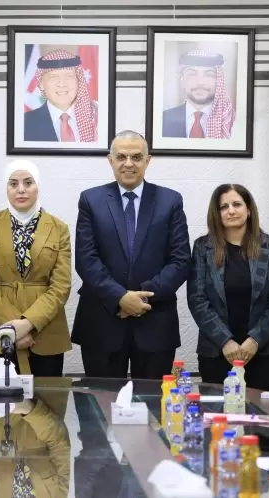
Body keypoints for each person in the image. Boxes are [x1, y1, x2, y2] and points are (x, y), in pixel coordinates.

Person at [72, 130, 191, 380]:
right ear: (110, 160)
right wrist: (120, 298)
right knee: (101, 401)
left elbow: (180, 261)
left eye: (136, 157)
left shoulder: (170, 201)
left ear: (148, 160)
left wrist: (140, 299)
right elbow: (86, 260)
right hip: (102, 322)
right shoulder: (90, 200)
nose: (129, 163)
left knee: (152, 402)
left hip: (154, 322)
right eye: (121, 157)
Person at [0, 160, 72, 376]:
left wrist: (28, 323)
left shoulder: (59, 228)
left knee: (47, 396)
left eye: (28, 183)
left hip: (45, 332)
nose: (21, 189)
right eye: (13, 184)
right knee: (0, 397)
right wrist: (13, 328)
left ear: (38, 186)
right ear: (6, 188)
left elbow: (61, 286)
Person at [187, 184, 269, 390]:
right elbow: (197, 300)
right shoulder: (202, 248)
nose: (231, 211)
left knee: (263, 411)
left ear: (248, 210)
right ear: (216, 213)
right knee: (218, 410)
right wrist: (225, 341)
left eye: (237, 204)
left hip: (265, 352)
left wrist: (255, 340)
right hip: (217, 352)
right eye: (224, 207)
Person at [23, 49, 97, 142]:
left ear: (78, 80)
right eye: (54, 77)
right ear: (41, 84)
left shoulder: (97, 118)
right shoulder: (24, 123)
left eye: (69, 76)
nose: (62, 84)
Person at [162, 50, 235, 139]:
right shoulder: (162, 120)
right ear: (182, 80)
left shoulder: (232, 122)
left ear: (219, 81)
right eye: (192, 74)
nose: (200, 82)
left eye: (209, 74)